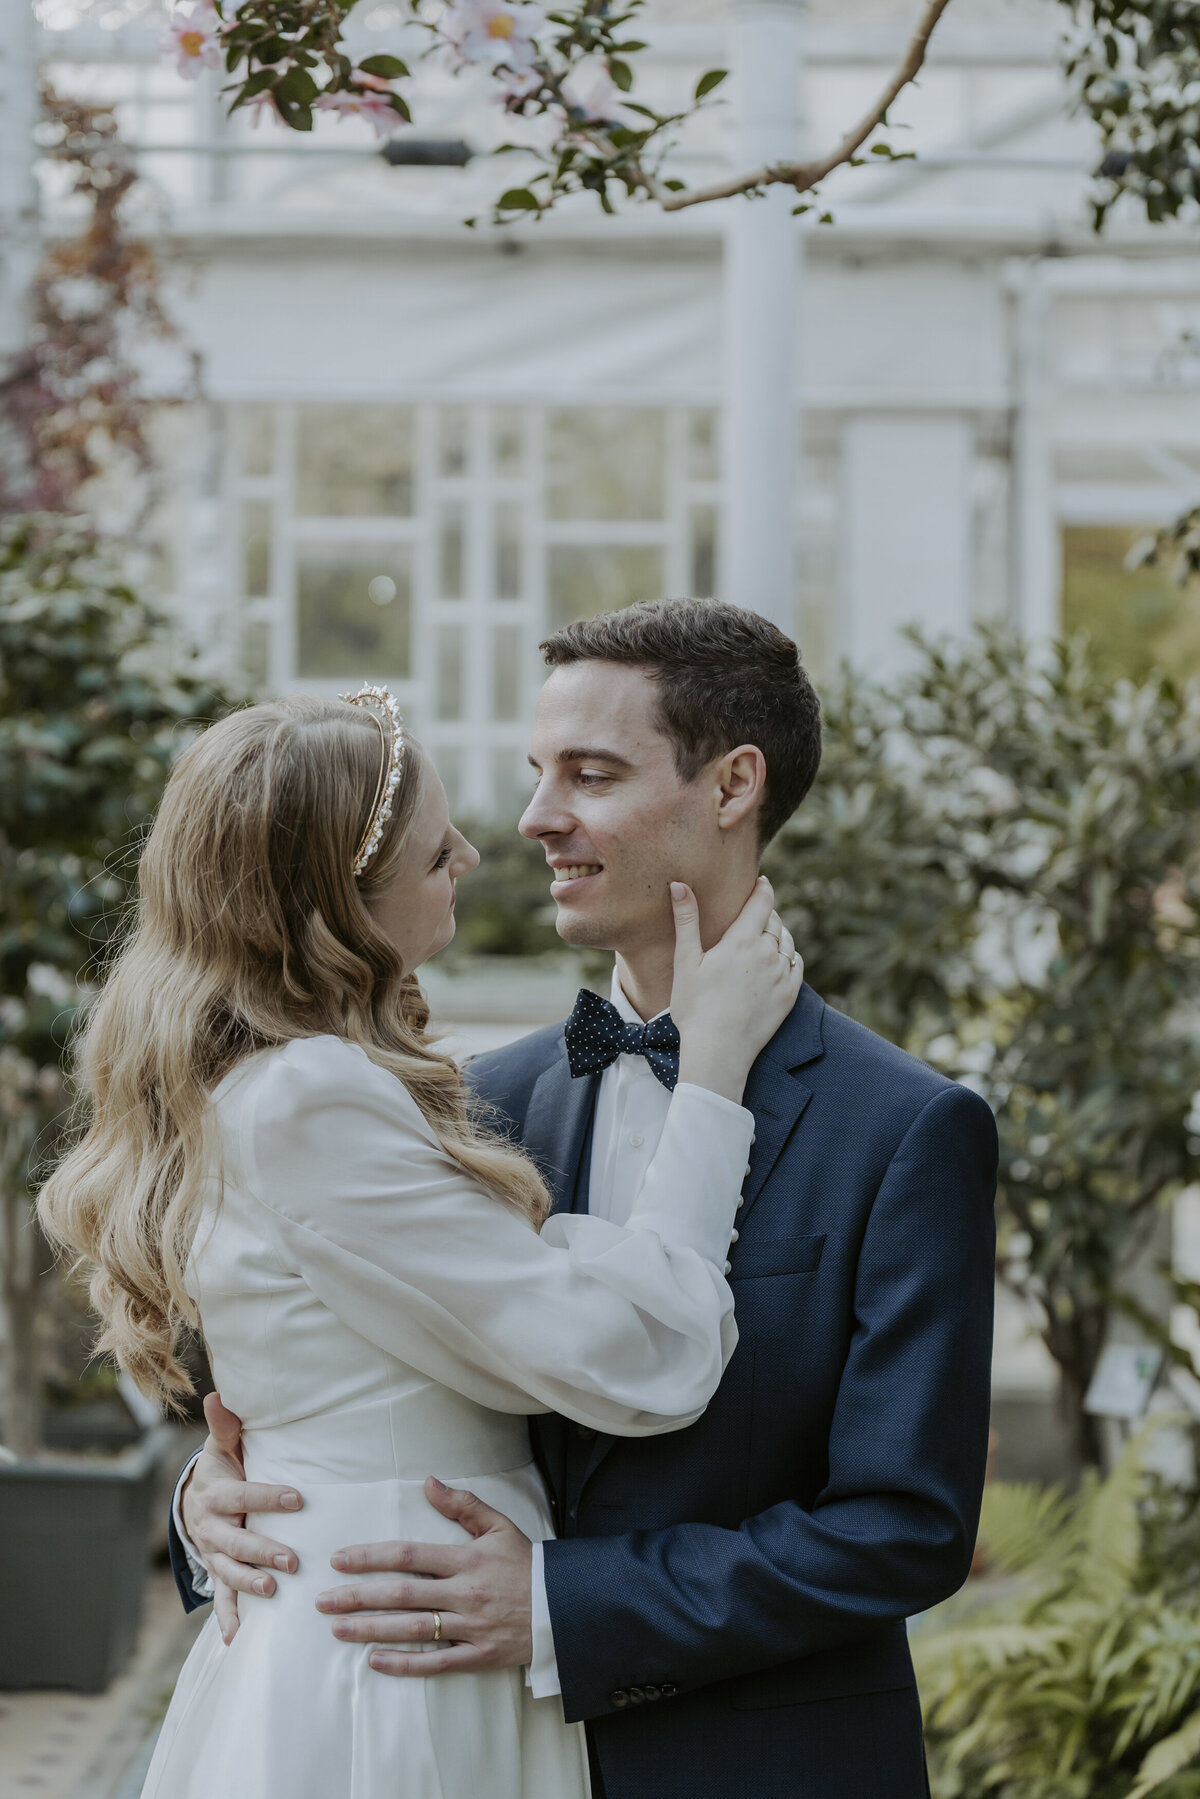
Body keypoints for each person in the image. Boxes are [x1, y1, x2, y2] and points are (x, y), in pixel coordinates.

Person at [172, 599, 999, 1799]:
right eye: (535, 771)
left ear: (732, 786)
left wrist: (566, 1604)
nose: (534, 817)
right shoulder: (465, 1101)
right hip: (442, 1743)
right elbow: (294, 1365)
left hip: (756, 1762)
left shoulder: (907, 1126)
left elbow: (905, 1525)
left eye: (591, 773)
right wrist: (220, 1504)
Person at [38, 683, 802, 1799]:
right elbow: (651, 1354)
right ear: (338, 890)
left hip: (387, 1613)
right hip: (391, 1662)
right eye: (435, 841)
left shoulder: (289, 1081)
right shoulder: (312, 1096)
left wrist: (221, 1484)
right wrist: (717, 1073)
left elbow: (366, 1344)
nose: (476, 850)